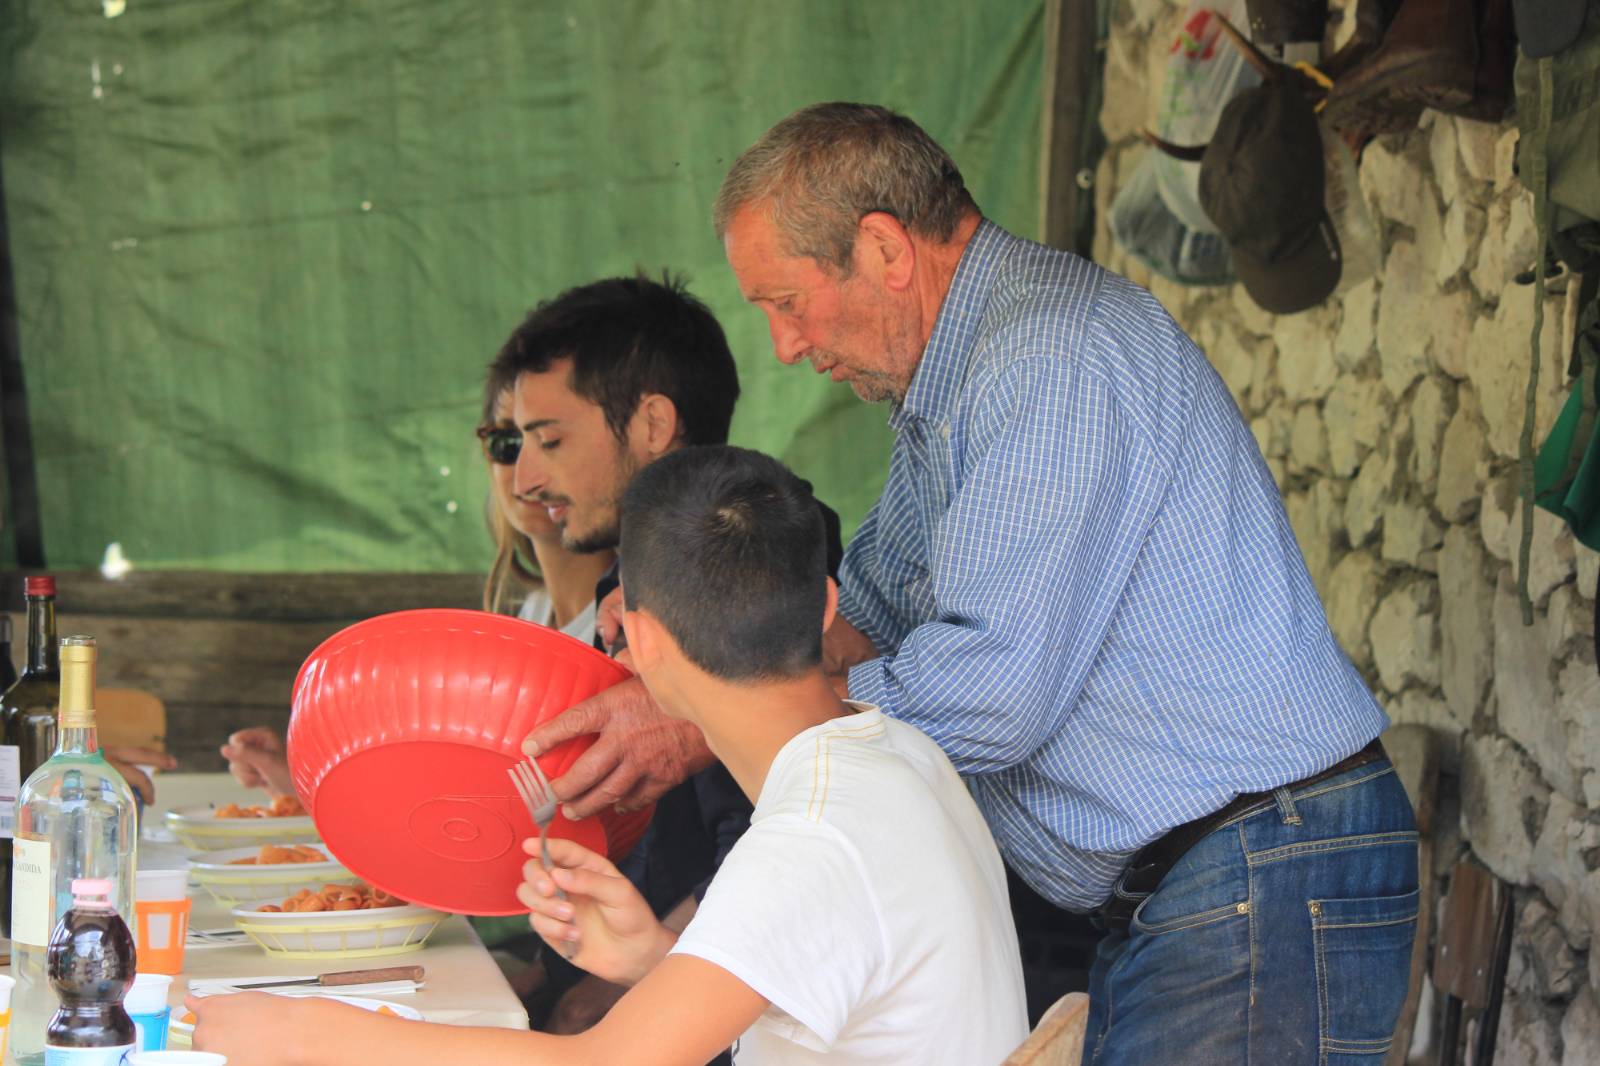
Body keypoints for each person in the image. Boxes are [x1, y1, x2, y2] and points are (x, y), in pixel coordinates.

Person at [528, 102, 1420, 1063]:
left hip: (1255, 867)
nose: (785, 345)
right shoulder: (960, 378)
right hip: (1211, 878)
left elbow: (992, 697)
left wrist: (706, 709)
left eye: (787, 302)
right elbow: (863, 611)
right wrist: (681, 630)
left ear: (884, 249)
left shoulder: (1046, 359)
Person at [189, 445, 1028, 1066]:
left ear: (636, 636)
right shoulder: (900, 753)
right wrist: (654, 960)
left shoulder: (806, 839)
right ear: (827, 607)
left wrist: (310, 1033)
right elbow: (827, 980)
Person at [219, 376, 615, 799]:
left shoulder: (623, 624)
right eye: (507, 444)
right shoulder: (530, 617)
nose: (526, 473)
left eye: (550, 442)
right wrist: (303, 785)